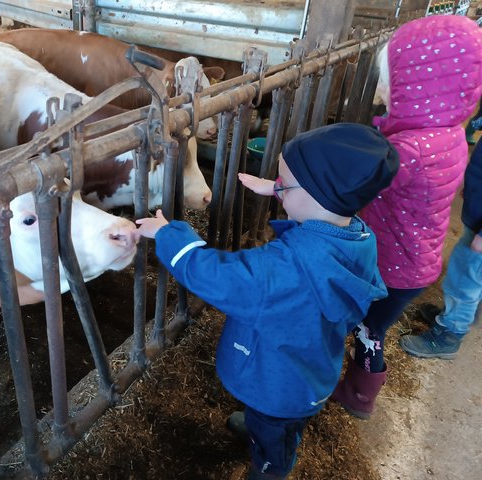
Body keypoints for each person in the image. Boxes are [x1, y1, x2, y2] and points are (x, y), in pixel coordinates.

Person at [134, 123, 399, 480]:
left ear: (316, 194)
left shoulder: (284, 269)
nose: (278, 185)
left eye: (283, 182)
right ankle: (264, 427)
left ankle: (269, 468)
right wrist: (280, 192)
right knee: (274, 420)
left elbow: (217, 275)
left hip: (277, 386)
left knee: (274, 441)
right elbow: (317, 207)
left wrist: (169, 235)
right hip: (307, 371)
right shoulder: (359, 238)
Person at [331, 14, 482, 420]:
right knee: (371, 329)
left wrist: (293, 183)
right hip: (413, 264)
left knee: (363, 330)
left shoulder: (410, 151)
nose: (382, 90)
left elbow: (353, 185)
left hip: (390, 270)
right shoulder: (450, 133)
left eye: (390, 82)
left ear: (422, 88)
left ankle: (354, 394)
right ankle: (355, 389)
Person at [399, 137, 482, 359]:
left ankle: (449, 333)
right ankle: (454, 314)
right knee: (467, 276)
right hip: (477, 215)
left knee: (464, 281)